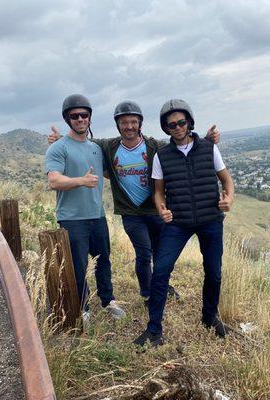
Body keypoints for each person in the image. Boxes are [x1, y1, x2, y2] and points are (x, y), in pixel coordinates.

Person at [48, 101, 219, 306]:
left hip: (155, 208)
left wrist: (206, 141)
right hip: (131, 212)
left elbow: (179, 144)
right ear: (118, 125)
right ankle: (147, 293)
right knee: (144, 252)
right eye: (124, 122)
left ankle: (163, 286)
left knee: (161, 252)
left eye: (133, 122)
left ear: (140, 124)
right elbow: (79, 141)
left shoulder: (154, 146)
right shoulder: (109, 147)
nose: (129, 126)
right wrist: (60, 139)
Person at [133, 99, 234, 347]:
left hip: (210, 220)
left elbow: (226, 180)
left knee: (214, 273)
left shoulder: (209, 148)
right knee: (160, 272)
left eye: (181, 122)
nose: (177, 127)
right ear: (166, 129)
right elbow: (158, 191)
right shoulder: (162, 156)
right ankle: (154, 330)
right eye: (171, 125)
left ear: (189, 122)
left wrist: (229, 198)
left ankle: (209, 318)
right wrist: (161, 208)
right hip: (178, 223)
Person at [45, 94, 126, 322]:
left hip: (97, 215)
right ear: (67, 119)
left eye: (84, 115)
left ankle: (108, 301)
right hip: (72, 218)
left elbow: (108, 174)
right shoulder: (58, 149)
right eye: (75, 116)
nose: (80, 119)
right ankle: (83, 308)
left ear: (90, 118)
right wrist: (81, 181)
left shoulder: (95, 148)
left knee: (103, 260)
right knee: (78, 266)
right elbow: (54, 181)